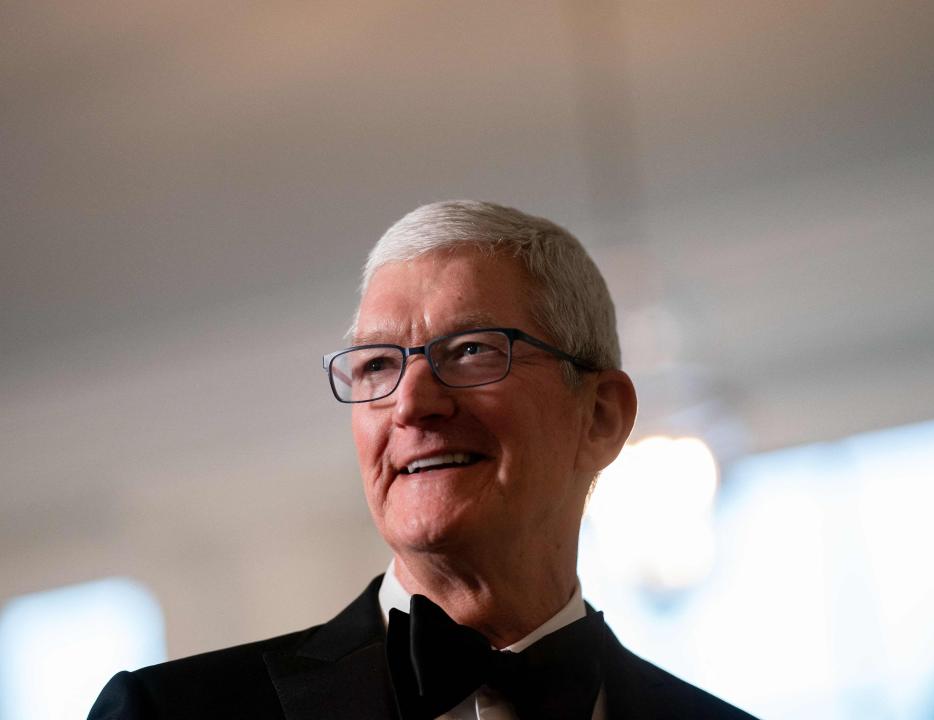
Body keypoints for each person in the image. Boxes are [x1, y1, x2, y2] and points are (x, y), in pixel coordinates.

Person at [89, 201, 757, 719]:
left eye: (470, 350)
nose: (410, 404)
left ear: (600, 417)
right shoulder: (169, 714)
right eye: (377, 363)